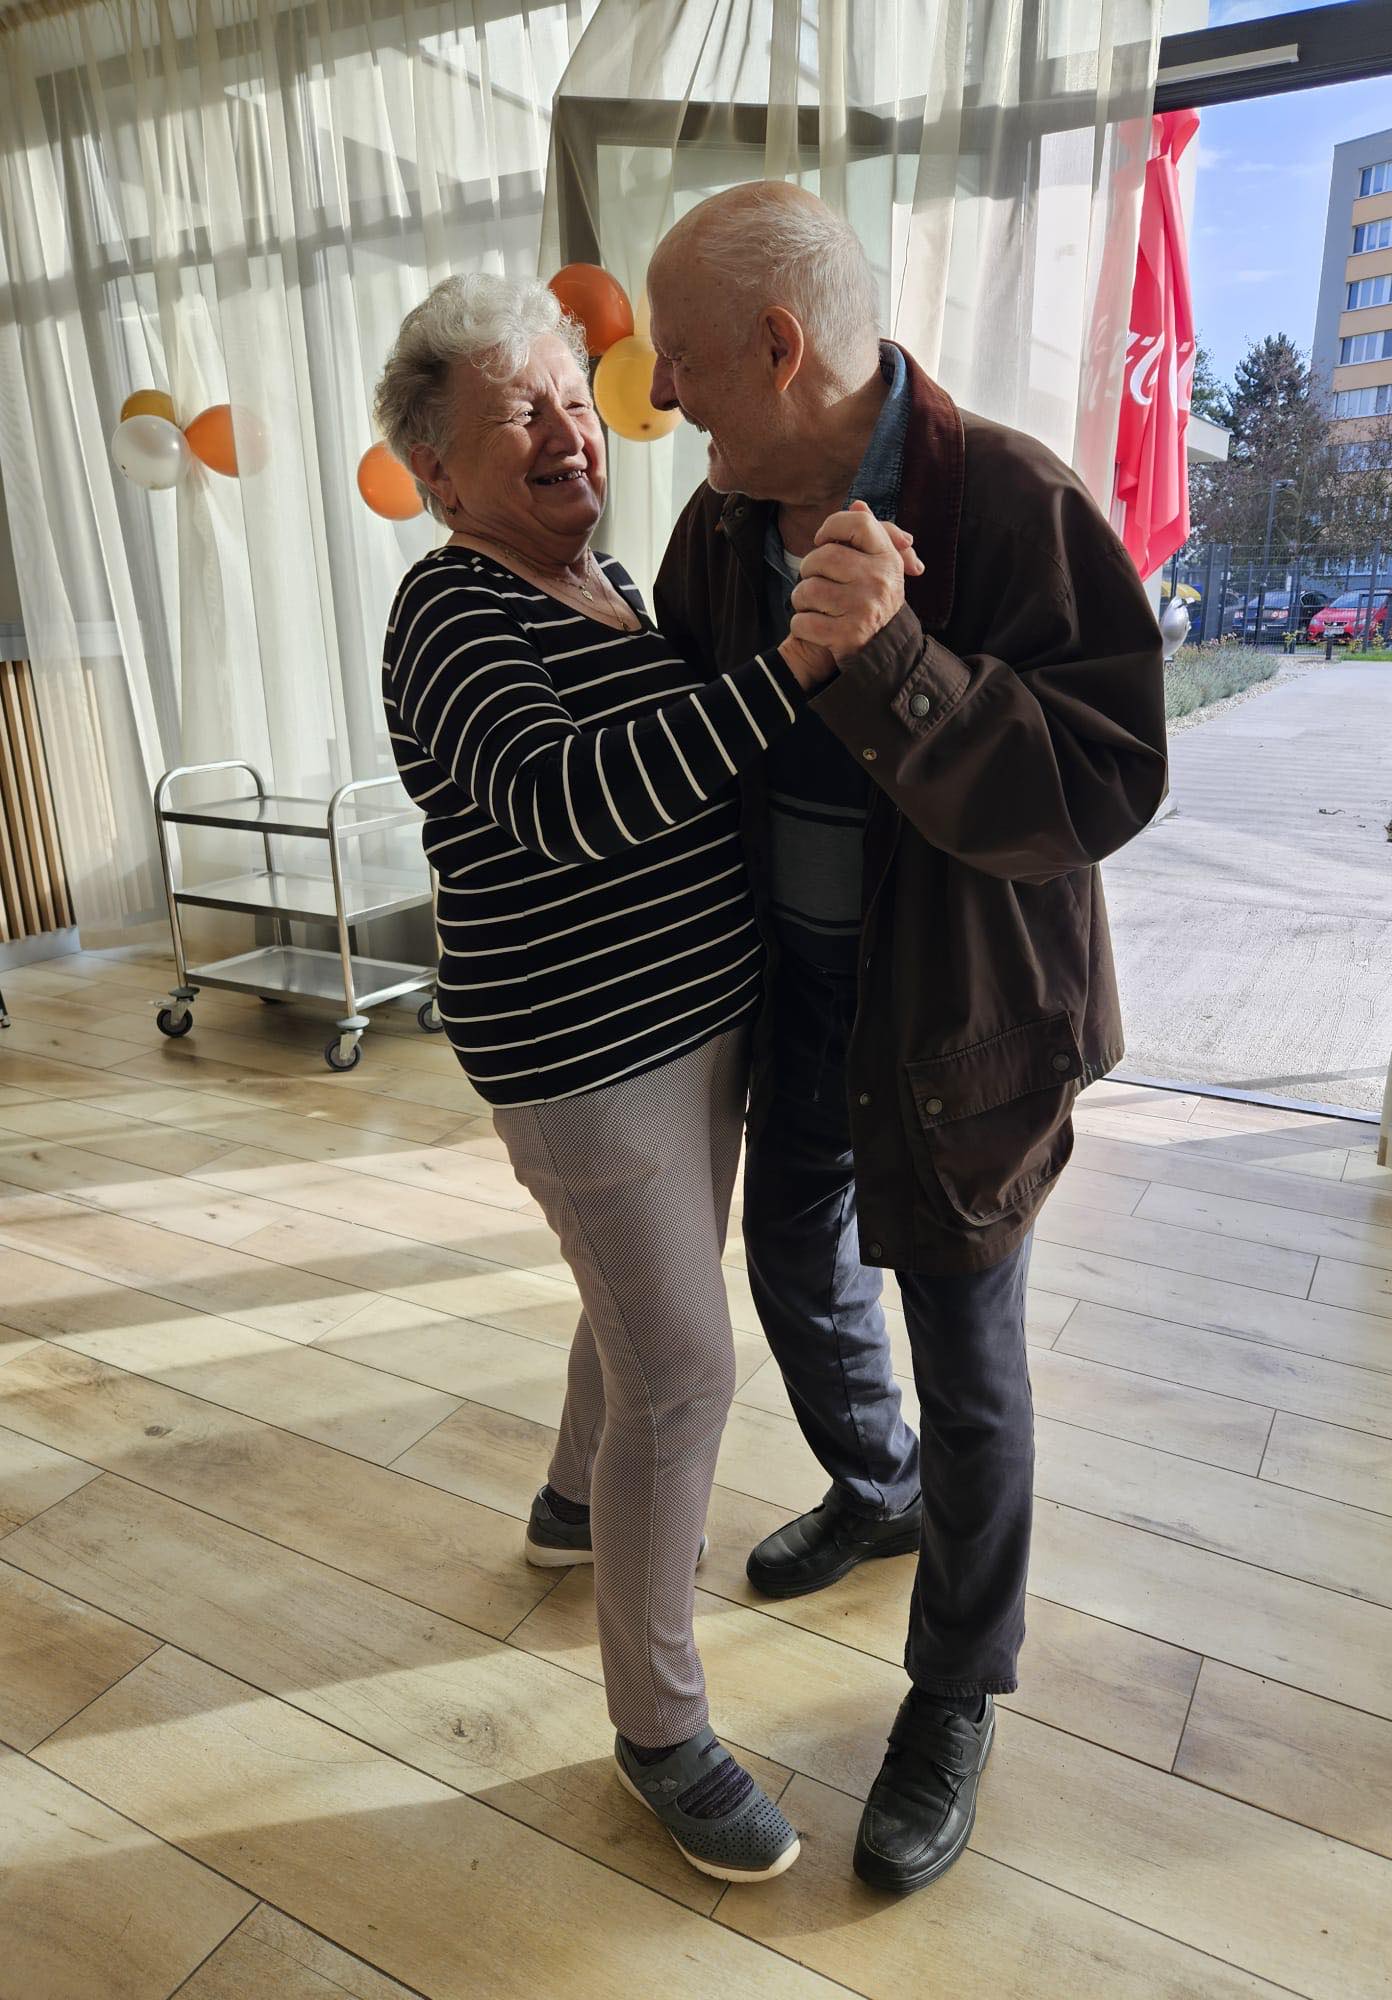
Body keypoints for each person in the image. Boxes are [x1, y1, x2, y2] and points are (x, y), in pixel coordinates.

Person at [647, 184, 1167, 1895]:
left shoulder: (1013, 502)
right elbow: (685, 722)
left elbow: (1104, 783)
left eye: (683, 359)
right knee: (793, 1261)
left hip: (961, 1018)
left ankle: (956, 1689)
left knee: (968, 1347)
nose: (659, 394)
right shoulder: (724, 519)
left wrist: (903, 659)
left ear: (778, 345)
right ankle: (878, 1489)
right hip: (789, 995)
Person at [374, 273, 915, 1885]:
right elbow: (569, 801)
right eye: (518, 414)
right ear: (438, 472)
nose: (569, 431)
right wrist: (798, 667)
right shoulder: (447, 612)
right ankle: (659, 1728)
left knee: (636, 1298)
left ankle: (567, 1507)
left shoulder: (604, 577)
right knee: (682, 1373)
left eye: (571, 397)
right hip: (584, 1057)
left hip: (699, 1026)